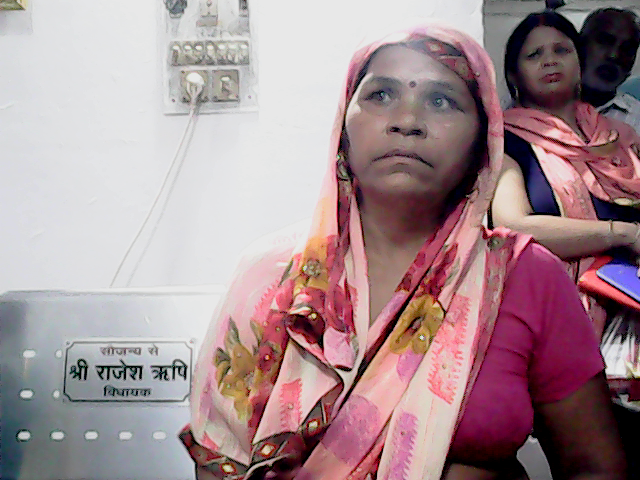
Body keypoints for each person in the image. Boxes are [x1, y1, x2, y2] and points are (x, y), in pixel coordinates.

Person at [182, 22, 625, 480]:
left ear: (483, 139)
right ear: (344, 126)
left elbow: (594, 467)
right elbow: (219, 465)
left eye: (441, 101)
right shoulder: (269, 275)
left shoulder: (525, 275)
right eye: (380, 95)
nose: (407, 121)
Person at [492, 10, 640, 478]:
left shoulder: (619, 138)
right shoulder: (505, 141)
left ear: (578, 63)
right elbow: (514, 224)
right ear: (514, 76)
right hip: (565, 327)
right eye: (534, 54)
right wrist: (623, 234)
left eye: (561, 50)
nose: (550, 60)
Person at [580, 7, 640, 135]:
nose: (614, 55)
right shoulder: (541, 104)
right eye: (605, 41)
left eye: (627, 49)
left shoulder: (637, 120)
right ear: (580, 45)